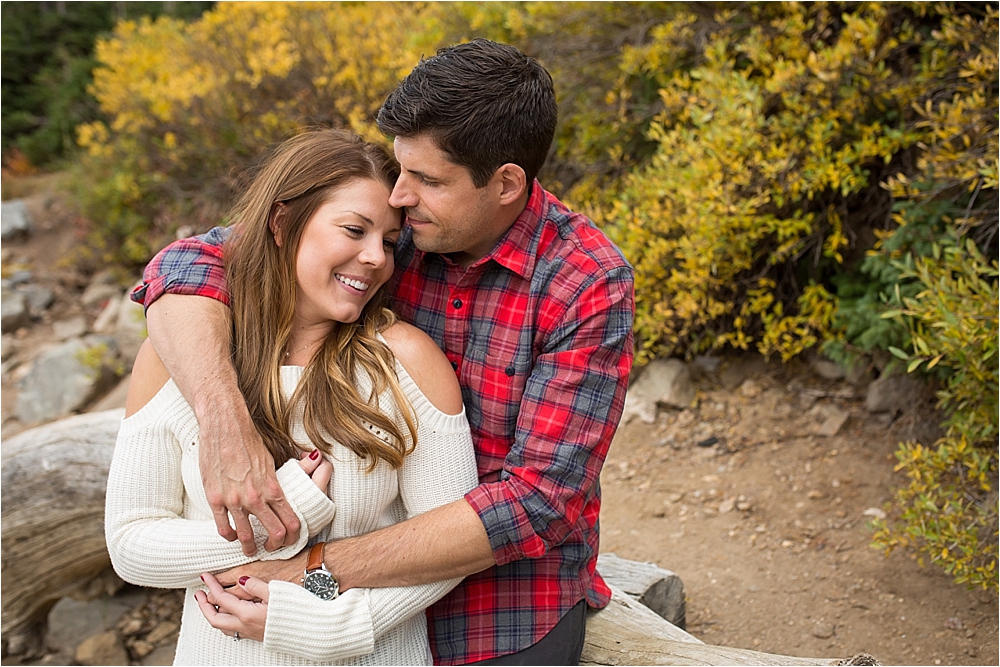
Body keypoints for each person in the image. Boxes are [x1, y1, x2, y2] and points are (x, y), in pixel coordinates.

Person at [133, 39, 635, 665]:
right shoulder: (390, 232)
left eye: (426, 179)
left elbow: (539, 503)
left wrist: (313, 567)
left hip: (504, 602)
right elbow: (187, 265)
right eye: (400, 169)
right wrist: (223, 422)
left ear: (506, 183)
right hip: (347, 569)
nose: (398, 195)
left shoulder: (582, 280)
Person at [105, 129, 480, 665]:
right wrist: (285, 517)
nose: (375, 257)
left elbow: (449, 549)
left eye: (390, 242)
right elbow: (131, 546)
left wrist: (330, 625)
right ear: (282, 223)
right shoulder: (180, 356)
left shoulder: (406, 359)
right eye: (355, 229)